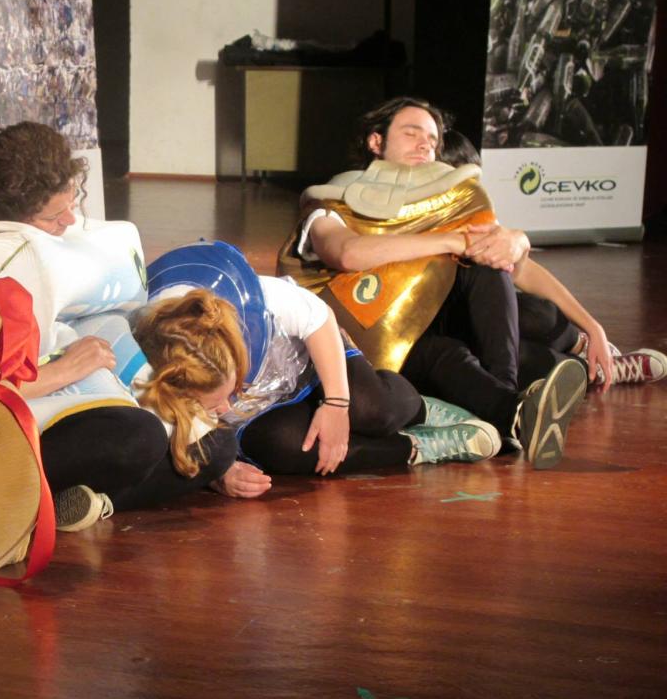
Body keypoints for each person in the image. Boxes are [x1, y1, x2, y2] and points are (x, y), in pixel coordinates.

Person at [0, 121, 248, 525]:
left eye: (72, 202)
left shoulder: (36, 245)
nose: (70, 221)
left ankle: (77, 501)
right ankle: (62, 505)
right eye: (53, 216)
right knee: (140, 438)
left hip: (61, 382)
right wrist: (64, 371)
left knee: (215, 447)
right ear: (13, 214)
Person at [287, 96, 588, 469]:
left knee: (505, 285)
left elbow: (516, 266)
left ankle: (518, 403)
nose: (424, 145)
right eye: (411, 133)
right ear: (376, 141)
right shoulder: (329, 204)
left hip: (444, 315)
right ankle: (519, 408)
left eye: (432, 140)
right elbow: (347, 253)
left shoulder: (449, 202)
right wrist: (452, 241)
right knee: (455, 355)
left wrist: (592, 325)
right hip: (377, 342)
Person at [136, 278, 501, 493]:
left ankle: (420, 408)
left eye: (229, 393)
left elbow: (319, 317)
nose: (226, 407)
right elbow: (177, 443)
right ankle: (421, 446)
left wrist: (337, 403)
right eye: (212, 405)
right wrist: (218, 473)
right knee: (288, 448)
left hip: (308, 358)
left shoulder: (253, 298)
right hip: (261, 409)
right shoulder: (144, 377)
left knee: (371, 409)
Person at [440, 128, 667, 389]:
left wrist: (593, 328)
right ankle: (598, 371)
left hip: (482, 317)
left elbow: (524, 273)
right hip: (444, 334)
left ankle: (584, 348)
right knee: (519, 357)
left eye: (472, 184)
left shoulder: (476, 221)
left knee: (537, 314)